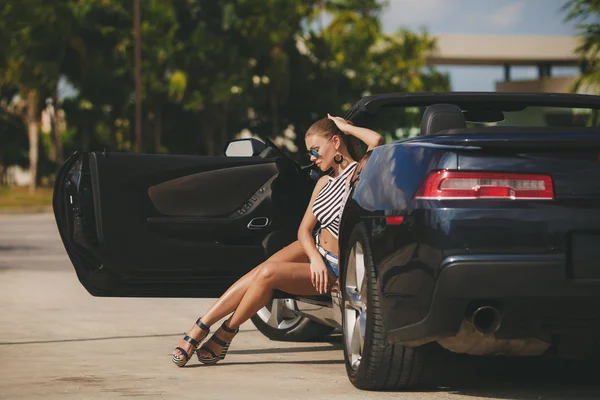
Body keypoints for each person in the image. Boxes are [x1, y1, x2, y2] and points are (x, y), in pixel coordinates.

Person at [172, 114, 383, 367]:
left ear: (336, 142)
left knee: (268, 273)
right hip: (313, 250)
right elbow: (304, 231)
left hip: (336, 267)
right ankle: (202, 326)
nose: (313, 159)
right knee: (259, 271)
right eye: (309, 154)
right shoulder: (324, 182)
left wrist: (347, 127)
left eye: (316, 151)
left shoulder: (358, 173)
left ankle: (225, 331)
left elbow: (377, 141)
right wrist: (314, 258)